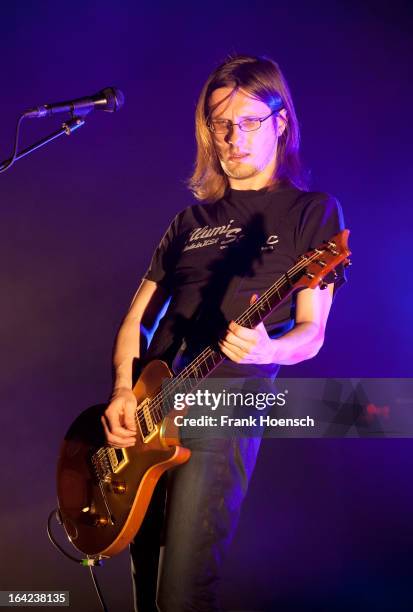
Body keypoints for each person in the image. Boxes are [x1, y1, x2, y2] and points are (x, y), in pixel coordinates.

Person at [102, 55, 346, 612]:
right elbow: (135, 320)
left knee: (182, 592)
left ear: (281, 122)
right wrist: (122, 390)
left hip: (225, 405)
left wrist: (269, 348)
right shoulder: (190, 222)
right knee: (145, 594)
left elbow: (312, 331)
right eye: (221, 125)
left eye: (250, 122)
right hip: (148, 414)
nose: (234, 138)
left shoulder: (313, 213)